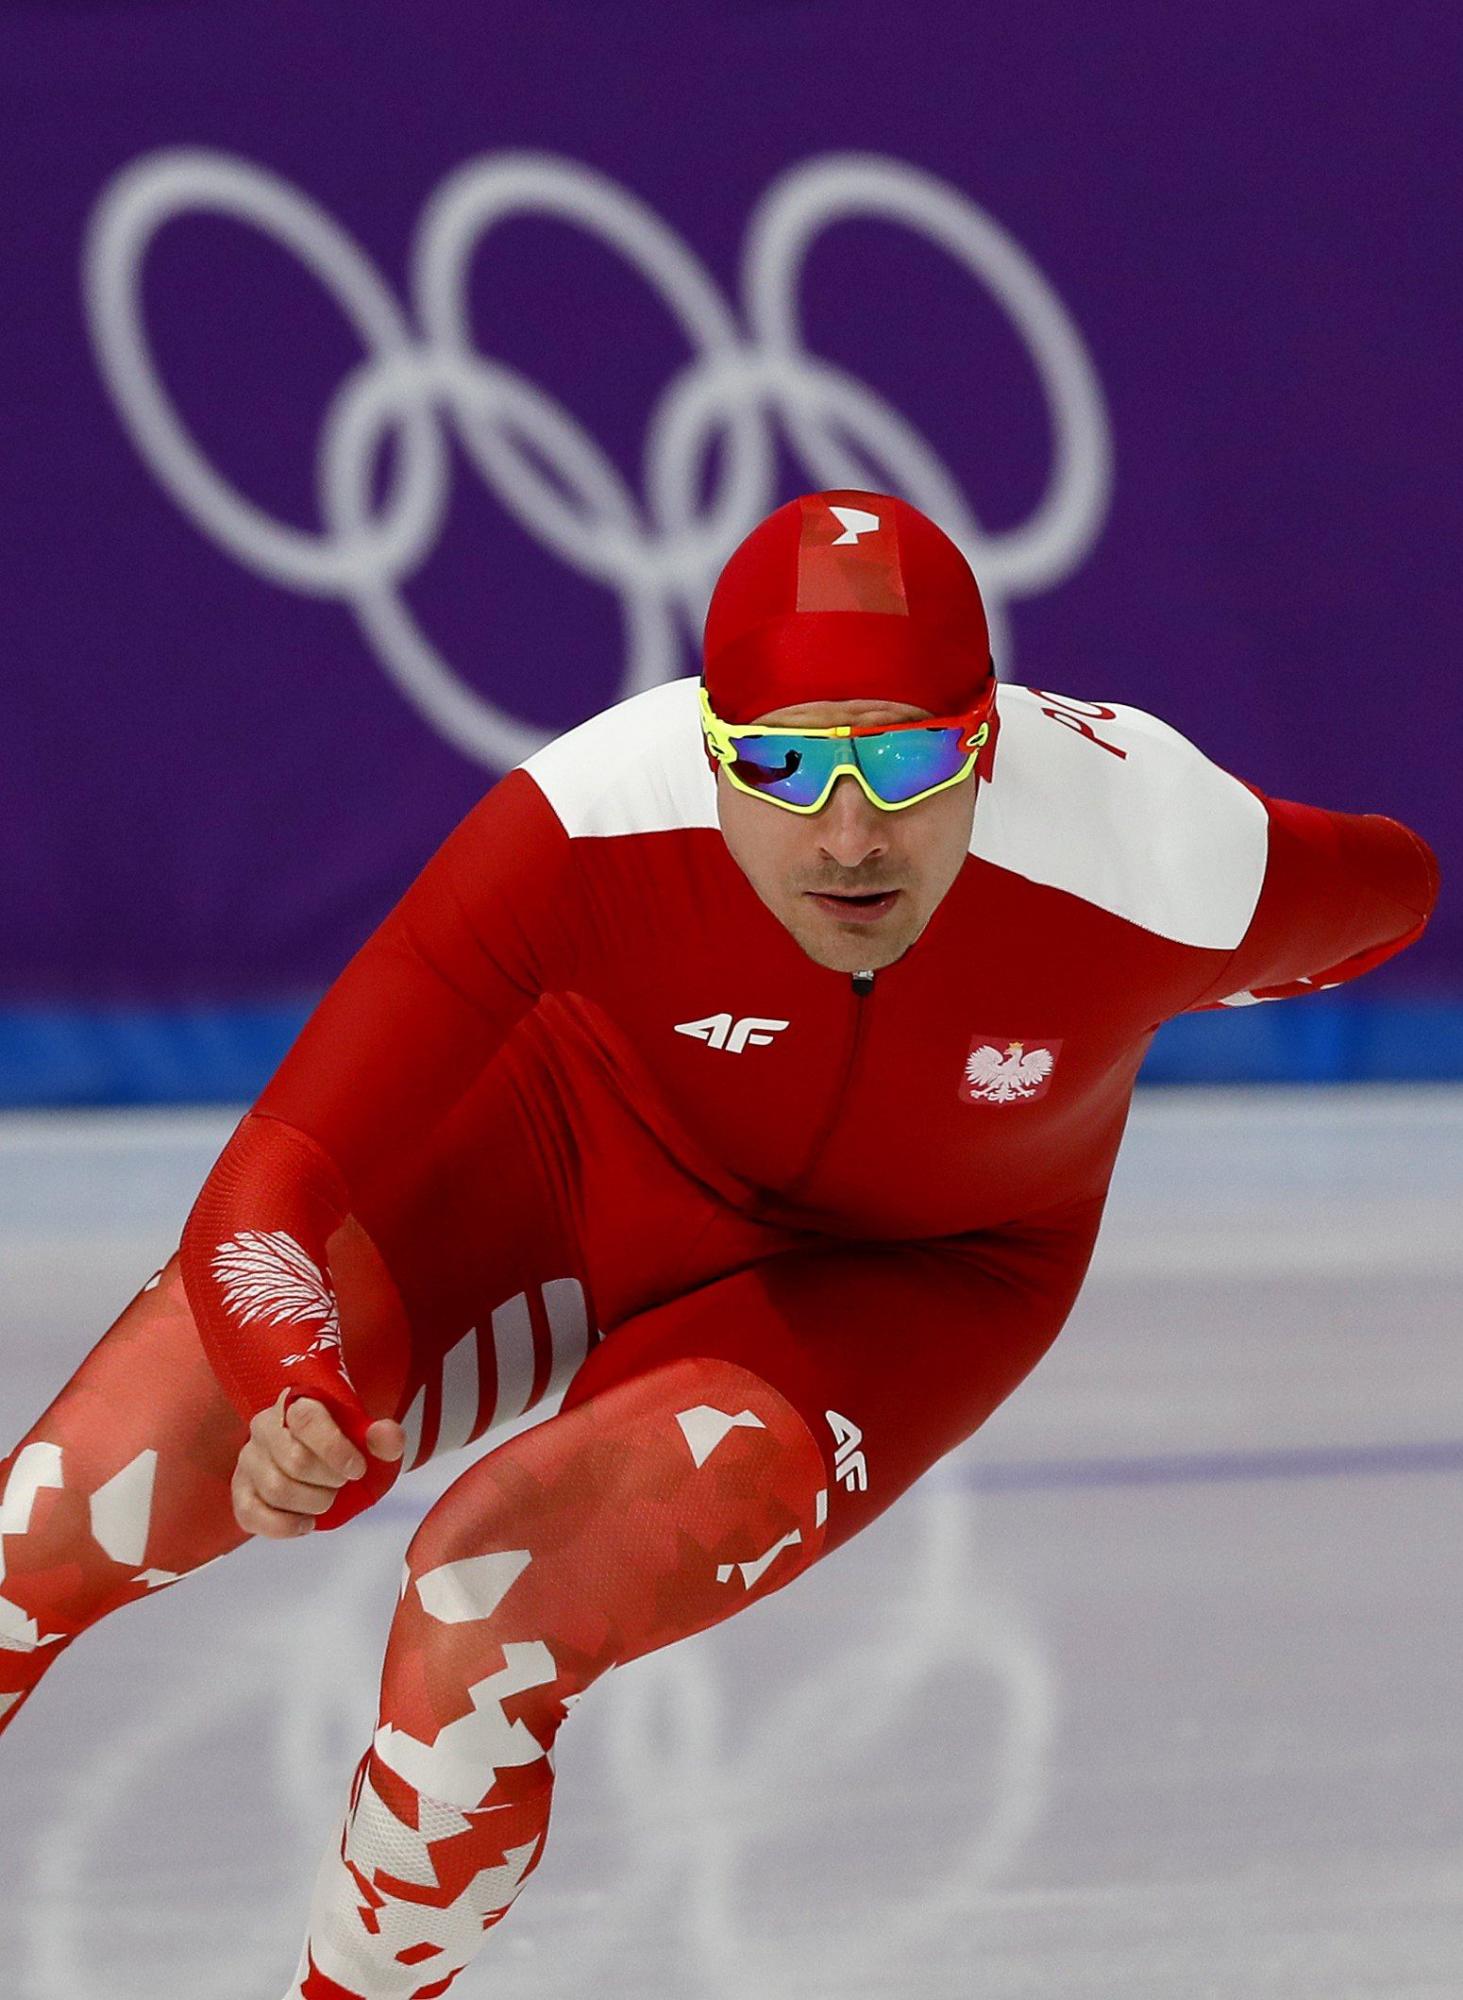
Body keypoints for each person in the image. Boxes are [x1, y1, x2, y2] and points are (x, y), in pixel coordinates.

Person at [0, 491, 1438, 1998]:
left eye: (907, 760)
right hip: (569, 1154)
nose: (849, 835)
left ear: (989, 740)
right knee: (44, 1527)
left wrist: (1150, 977)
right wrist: (295, 1384)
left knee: (483, 1614)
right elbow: (272, 1182)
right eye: (783, 765)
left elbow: (1392, 892)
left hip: (909, 1278)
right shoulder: (589, 817)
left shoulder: (1155, 852)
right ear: (707, 746)